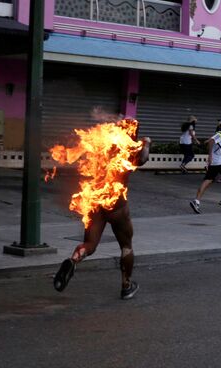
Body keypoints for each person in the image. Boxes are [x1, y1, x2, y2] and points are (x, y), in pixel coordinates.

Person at [53, 122, 151, 300]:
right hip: (116, 206)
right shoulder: (126, 150)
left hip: (95, 203)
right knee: (126, 246)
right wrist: (147, 143)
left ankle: (74, 259)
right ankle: (126, 285)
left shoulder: (100, 148)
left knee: (90, 245)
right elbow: (143, 159)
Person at [189, 115, 221, 213]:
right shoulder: (220, 134)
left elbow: (210, 140)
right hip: (219, 162)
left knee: (208, 181)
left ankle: (196, 201)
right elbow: (211, 141)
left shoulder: (220, 134)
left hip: (214, 163)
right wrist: (210, 155)